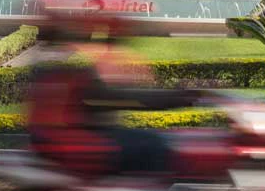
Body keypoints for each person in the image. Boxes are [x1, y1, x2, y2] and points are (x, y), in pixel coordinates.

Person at [25, 13, 201, 179]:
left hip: (55, 136)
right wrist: (180, 97)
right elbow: (119, 97)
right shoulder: (77, 63)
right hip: (73, 141)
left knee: (147, 141)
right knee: (157, 144)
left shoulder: (50, 60)